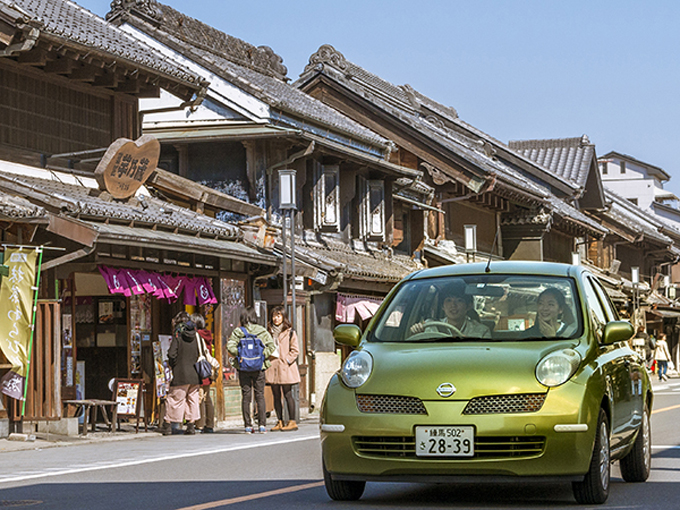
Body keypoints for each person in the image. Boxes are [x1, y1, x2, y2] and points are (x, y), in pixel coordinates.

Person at [228, 307, 275, 434]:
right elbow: (272, 346)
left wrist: (240, 354)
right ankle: (262, 425)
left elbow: (230, 347)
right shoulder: (261, 331)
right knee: (260, 395)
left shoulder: (238, 331)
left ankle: (248, 425)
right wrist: (261, 356)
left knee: (246, 396)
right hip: (259, 367)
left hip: (243, 367)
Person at [160, 312, 201, 435]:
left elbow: (172, 354)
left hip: (181, 372)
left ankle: (167, 424)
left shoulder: (178, 334)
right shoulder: (196, 335)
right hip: (195, 373)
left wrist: (173, 363)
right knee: (192, 400)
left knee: (175, 399)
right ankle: (191, 425)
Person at [410, 281, 491, 338]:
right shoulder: (430, 327)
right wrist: (417, 332)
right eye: (449, 300)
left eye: (459, 300)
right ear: (442, 306)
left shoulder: (481, 331)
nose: (453, 305)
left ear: (468, 306)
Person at [266, 306, 301, 432]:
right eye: (274, 316)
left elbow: (295, 350)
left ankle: (292, 421)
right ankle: (280, 420)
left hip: (286, 367)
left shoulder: (290, 332)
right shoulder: (268, 331)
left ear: (283, 317)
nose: (276, 318)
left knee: (287, 394)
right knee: (276, 395)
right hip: (273, 366)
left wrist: (286, 360)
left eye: (279, 315)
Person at [192, 313, 218, 434]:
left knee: (200, 398)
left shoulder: (197, 336)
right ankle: (210, 423)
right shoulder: (207, 335)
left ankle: (200, 424)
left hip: (199, 370)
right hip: (207, 370)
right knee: (208, 399)